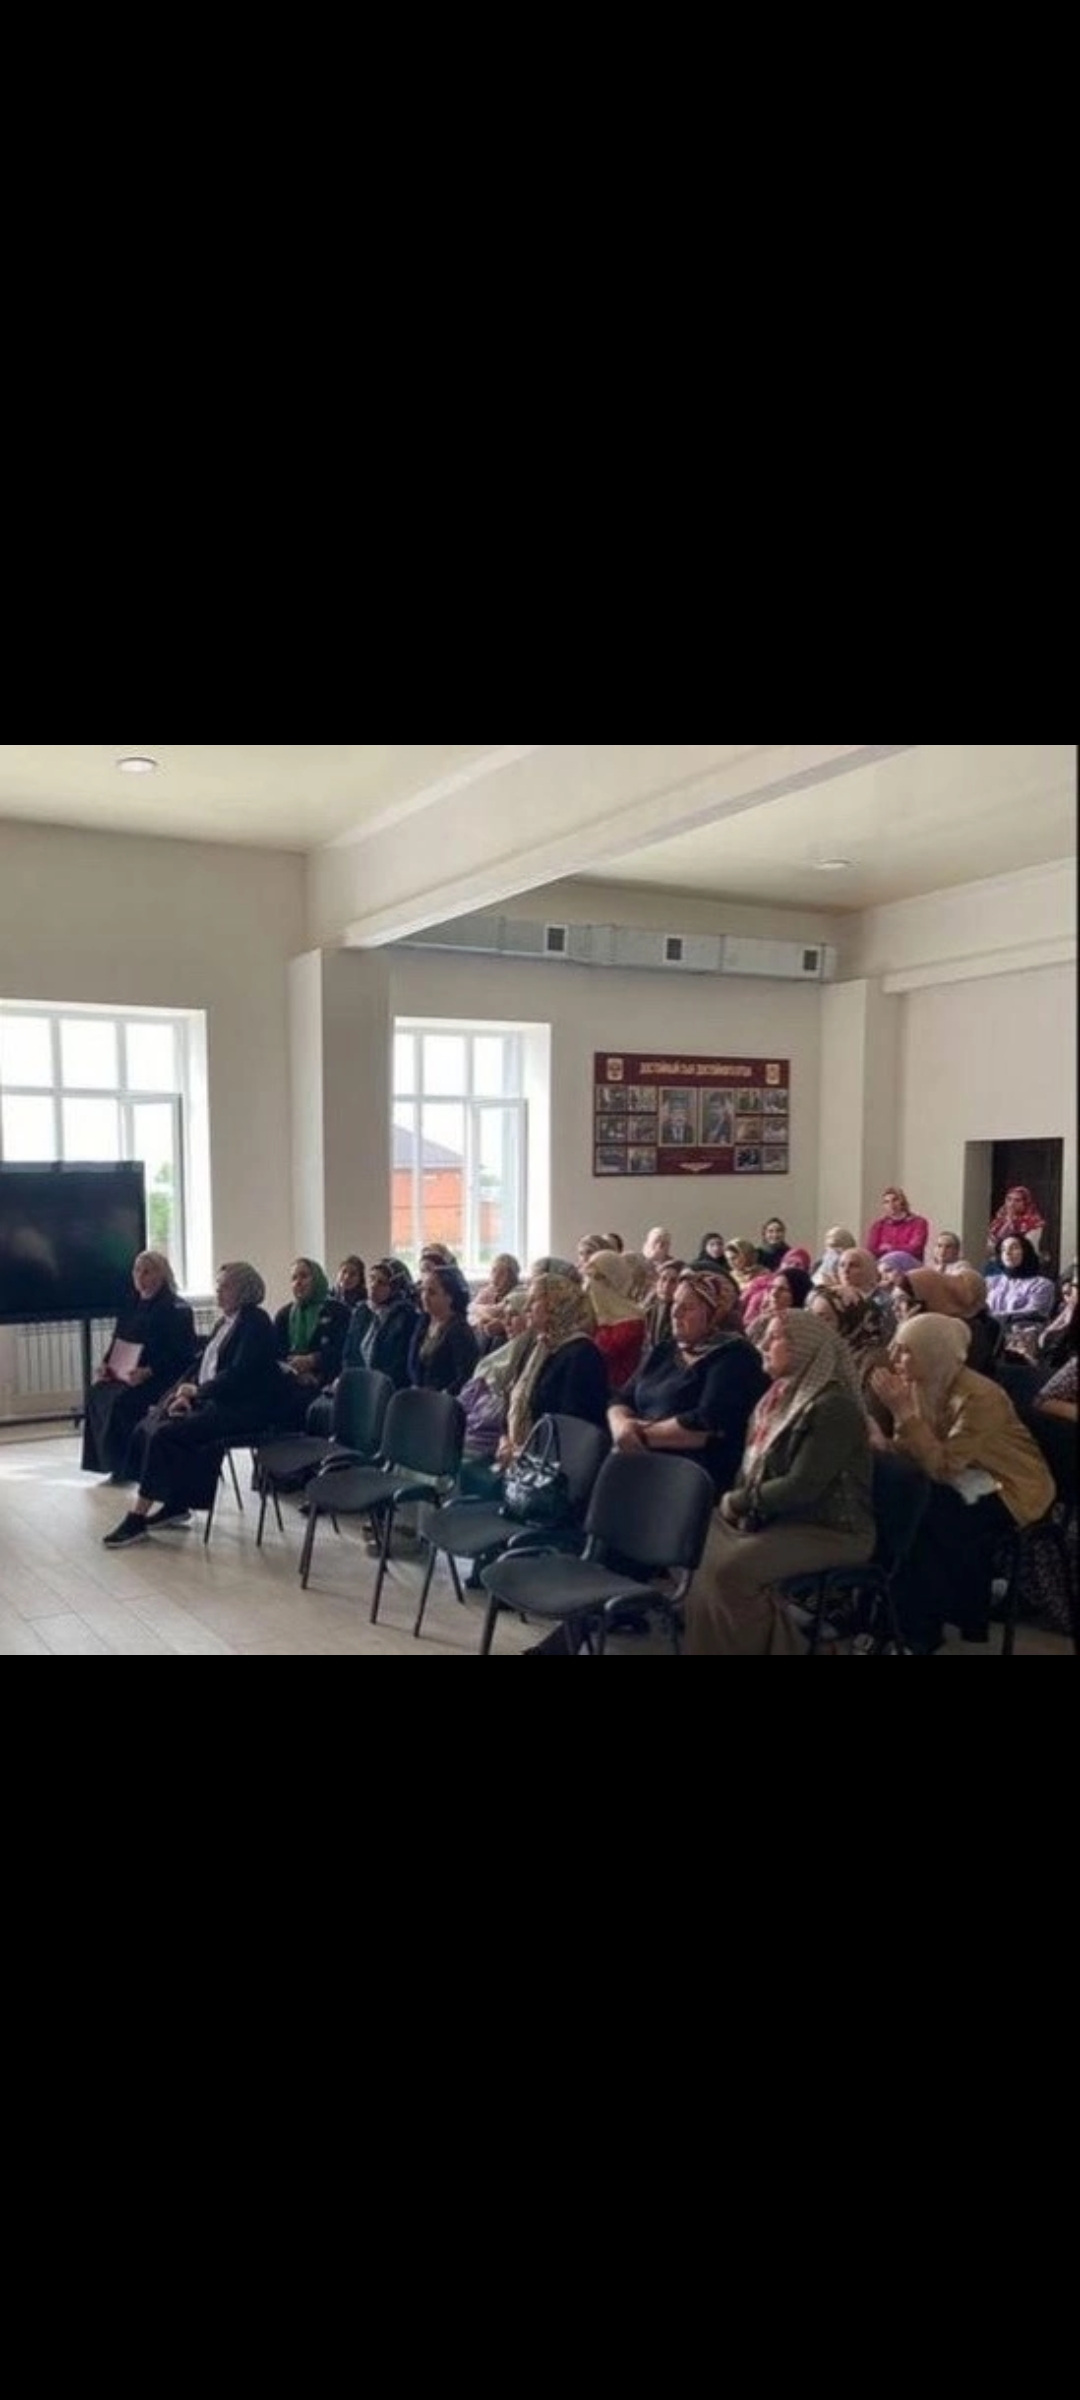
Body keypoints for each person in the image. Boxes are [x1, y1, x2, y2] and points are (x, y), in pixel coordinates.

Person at [685, 1313, 875, 1656]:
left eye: (775, 1338)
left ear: (804, 1348)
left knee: (731, 1571)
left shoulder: (834, 1406)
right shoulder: (777, 1397)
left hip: (832, 1529)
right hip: (781, 1518)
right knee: (697, 1544)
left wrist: (738, 1503)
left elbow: (802, 1486)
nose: (763, 1345)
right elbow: (753, 1468)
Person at [872, 1314, 1055, 1651]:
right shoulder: (916, 1384)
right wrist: (883, 1443)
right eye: (895, 1347)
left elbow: (943, 1467)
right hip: (960, 1477)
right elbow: (914, 1452)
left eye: (906, 1350)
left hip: (1009, 1486)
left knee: (923, 1517)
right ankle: (887, 1616)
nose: (894, 1357)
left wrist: (905, 1415)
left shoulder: (980, 1396)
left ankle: (921, 1629)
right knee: (895, 1501)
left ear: (934, 1355)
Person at [102, 1263, 283, 1547]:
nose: (218, 1292)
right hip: (215, 1400)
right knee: (151, 1424)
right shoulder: (224, 1322)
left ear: (244, 1290)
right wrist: (182, 1394)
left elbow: (239, 1374)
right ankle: (176, 1503)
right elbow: (200, 1365)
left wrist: (197, 1393)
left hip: (243, 1409)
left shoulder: (255, 1322)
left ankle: (137, 1517)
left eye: (225, 1287)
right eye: (217, 1286)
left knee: (166, 1435)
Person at [609, 1271, 766, 1499]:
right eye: (675, 1303)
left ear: (715, 1313)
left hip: (689, 1474)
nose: (675, 1313)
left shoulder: (736, 1356)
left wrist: (639, 1435)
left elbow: (705, 1423)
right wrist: (620, 1425)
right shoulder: (666, 1350)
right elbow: (622, 1397)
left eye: (688, 1307)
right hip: (639, 1457)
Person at [81, 1251, 197, 1484]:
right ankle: (109, 1463)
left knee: (122, 1402)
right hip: (127, 1372)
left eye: (147, 1272)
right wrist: (106, 1365)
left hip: (161, 1377)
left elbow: (181, 1354)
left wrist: (148, 1371)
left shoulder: (177, 1308)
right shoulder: (130, 1303)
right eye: (136, 1271)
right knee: (96, 1393)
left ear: (161, 1275)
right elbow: (118, 1339)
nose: (140, 1277)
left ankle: (129, 1467)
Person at [273, 1260, 351, 1427]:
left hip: (327, 1384)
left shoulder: (338, 1311)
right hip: (290, 1382)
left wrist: (313, 1360)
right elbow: (275, 1354)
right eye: (294, 1278)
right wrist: (295, 1374)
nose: (298, 1282)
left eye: (304, 1276)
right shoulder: (284, 1315)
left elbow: (344, 1352)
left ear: (317, 1279)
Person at [582, 1249, 648, 1389]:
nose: (588, 1285)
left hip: (615, 1392)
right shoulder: (589, 1311)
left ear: (612, 1281)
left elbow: (600, 1355)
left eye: (595, 1277)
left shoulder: (632, 1321)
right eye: (587, 1276)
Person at [408, 1265, 479, 1396]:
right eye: (423, 1290)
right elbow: (413, 1364)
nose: (424, 1297)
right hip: (421, 1396)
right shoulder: (424, 1321)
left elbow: (466, 1376)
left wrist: (441, 1396)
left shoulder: (459, 1329)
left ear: (449, 1297)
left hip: (445, 1401)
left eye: (432, 1292)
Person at [984, 1236, 1057, 1326]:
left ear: (1026, 1252)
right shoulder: (990, 1281)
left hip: (1021, 1332)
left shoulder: (1042, 1285)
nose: (1007, 1253)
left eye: (1014, 1248)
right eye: (1003, 1249)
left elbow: (1032, 1313)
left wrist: (992, 1318)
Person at [468, 1252, 523, 1348]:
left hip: (509, 1340)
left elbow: (497, 1311)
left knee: (497, 1336)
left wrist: (478, 1311)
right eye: (493, 1271)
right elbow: (469, 1310)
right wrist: (481, 1320)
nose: (495, 1277)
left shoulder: (519, 1293)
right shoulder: (489, 1290)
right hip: (484, 1336)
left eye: (502, 1273)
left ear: (513, 1277)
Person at [865, 1188, 930, 1265]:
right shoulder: (878, 1225)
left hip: (910, 1265)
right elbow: (871, 1250)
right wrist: (901, 1248)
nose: (891, 1205)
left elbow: (915, 1248)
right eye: (886, 1202)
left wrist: (890, 1248)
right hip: (882, 1264)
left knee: (895, 1258)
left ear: (902, 1202)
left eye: (895, 1200)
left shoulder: (919, 1222)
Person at [986, 1185, 1045, 1262]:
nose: (1012, 1204)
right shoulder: (999, 1221)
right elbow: (990, 1244)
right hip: (997, 1260)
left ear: (1025, 1203)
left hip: (1023, 1262)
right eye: (1009, 1199)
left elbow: (1027, 1246)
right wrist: (1007, 1223)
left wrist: (1012, 1224)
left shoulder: (1033, 1223)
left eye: (1017, 1200)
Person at [643, 1258, 685, 1357]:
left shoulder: (684, 1314)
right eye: (663, 1279)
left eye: (673, 1281)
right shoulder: (648, 1308)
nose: (666, 1286)